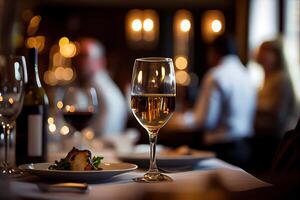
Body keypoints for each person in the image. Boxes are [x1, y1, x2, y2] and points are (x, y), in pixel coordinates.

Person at [166, 35, 257, 164]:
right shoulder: (246, 74)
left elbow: (205, 120)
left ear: (214, 52)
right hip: (245, 147)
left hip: (221, 150)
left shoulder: (215, 75)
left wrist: (177, 121)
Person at [73, 38, 128, 137]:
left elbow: (106, 130)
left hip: (99, 149)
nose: (79, 61)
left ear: (101, 61)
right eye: (78, 56)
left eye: (84, 56)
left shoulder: (100, 87)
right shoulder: (92, 84)